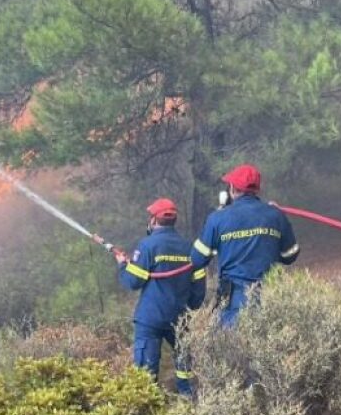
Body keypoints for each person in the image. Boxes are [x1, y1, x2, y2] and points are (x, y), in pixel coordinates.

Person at [117, 198, 207, 396]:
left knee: (145, 373)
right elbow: (199, 289)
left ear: (154, 221)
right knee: (185, 368)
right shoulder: (189, 247)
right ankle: (188, 404)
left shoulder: (148, 245)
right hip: (180, 318)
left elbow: (133, 282)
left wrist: (123, 265)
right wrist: (188, 308)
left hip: (150, 319)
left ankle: (148, 410)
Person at [190, 164, 300, 327]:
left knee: (230, 350)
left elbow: (197, 259)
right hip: (269, 299)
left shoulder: (218, 219)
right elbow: (291, 255)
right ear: (257, 190)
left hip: (233, 302)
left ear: (232, 188)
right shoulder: (275, 215)